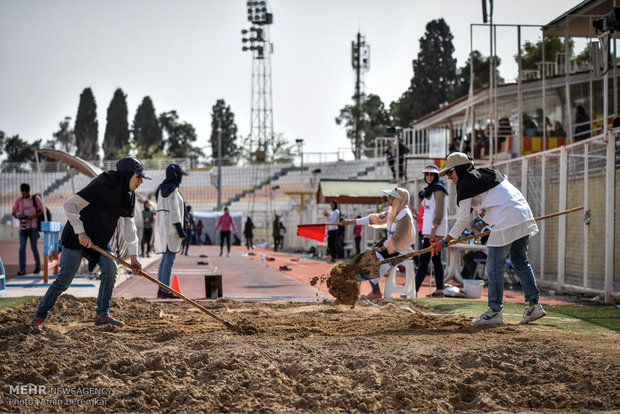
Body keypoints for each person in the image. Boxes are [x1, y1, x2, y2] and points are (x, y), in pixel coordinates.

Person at [31, 157, 149, 330]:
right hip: (77, 236)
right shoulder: (103, 184)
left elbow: (128, 226)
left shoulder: (129, 196)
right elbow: (69, 205)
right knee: (63, 281)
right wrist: (81, 232)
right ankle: (40, 317)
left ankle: (102, 314)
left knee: (111, 268)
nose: (141, 181)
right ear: (128, 175)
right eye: (139, 177)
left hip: (99, 240)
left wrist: (134, 256)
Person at [432, 152, 546, 325]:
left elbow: (462, 220)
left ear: (460, 170)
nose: (449, 177)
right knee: (520, 260)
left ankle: (494, 311)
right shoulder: (488, 174)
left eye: (450, 172)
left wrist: (444, 242)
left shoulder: (465, 183)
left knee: (493, 267)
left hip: (505, 220)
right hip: (523, 215)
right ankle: (534, 305)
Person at [341, 188, 414, 298]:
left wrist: (382, 248)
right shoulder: (392, 212)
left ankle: (377, 288)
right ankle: (375, 288)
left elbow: (399, 239)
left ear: (398, 199)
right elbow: (375, 219)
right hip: (391, 248)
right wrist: (352, 222)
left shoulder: (405, 215)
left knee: (372, 260)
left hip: (402, 250)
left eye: (391, 196)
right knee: (366, 259)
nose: (387, 198)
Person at [154, 162, 188, 298]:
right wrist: (181, 231)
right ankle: (165, 290)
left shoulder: (160, 190)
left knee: (165, 259)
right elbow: (175, 213)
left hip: (163, 228)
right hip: (172, 229)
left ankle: (161, 289)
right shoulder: (173, 190)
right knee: (169, 259)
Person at [415, 165, 448, 297]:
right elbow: (427, 211)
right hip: (429, 231)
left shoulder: (439, 190)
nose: (429, 177)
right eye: (427, 174)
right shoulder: (428, 191)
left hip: (435, 231)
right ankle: (439, 290)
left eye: (431, 174)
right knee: (431, 260)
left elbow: (438, 211)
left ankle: (415, 290)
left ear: (436, 176)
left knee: (426, 260)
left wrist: (434, 229)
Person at [12, 183, 43, 275]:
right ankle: (22, 269)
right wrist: (18, 216)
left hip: (33, 226)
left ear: (28, 191)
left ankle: (37, 266)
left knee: (34, 247)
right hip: (23, 227)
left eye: (26, 191)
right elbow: (13, 212)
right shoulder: (19, 200)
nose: (24, 193)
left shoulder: (35, 198)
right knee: (22, 248)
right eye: (23, 192)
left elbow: (42, 210)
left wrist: (32, 216)